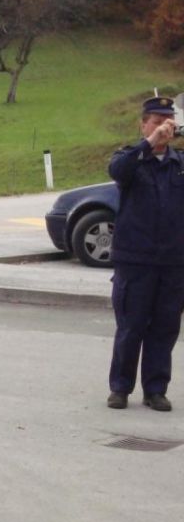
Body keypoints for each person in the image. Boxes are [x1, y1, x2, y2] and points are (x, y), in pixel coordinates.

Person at [106, 95, 184, 412]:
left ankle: (155, 389)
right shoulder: (131, 158)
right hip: (135, 261)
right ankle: (120, 388)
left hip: (173, 262)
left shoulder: (180, 165)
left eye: (166, 122)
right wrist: (149, 143)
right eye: (154, 122)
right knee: (131, 326)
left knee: (164, 329)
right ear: (143, 124)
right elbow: (117, 171)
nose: (161, 128)